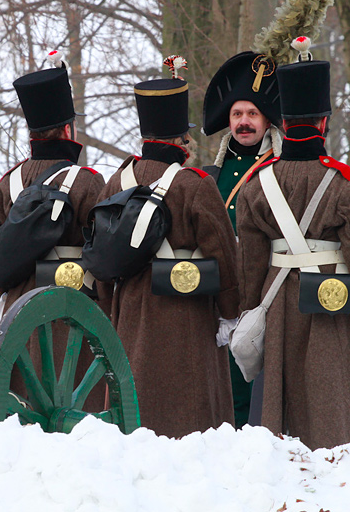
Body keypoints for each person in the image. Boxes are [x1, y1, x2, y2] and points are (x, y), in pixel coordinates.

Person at [235, 38, 350, 450]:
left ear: (282, 121)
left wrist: (247, 309)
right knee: (332, 409)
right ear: (323, 122)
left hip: (277, 301)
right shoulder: (343, 180)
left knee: (279, 416)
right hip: (332, 300)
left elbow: (249, 262)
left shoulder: (256, 183)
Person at [95, 60, 239, 438]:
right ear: (181, 140)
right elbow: (222, 255)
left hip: (129, 314)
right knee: (191, 421)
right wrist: (230, 313)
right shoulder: (196, 184)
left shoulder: (115, 181)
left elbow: (100, 257)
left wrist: (113, 311)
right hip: (186, 317)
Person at [0, 52, 105, 313]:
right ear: (67, 130)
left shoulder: (9, 182)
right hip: (70, 309)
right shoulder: (87, 181)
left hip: (19, 312)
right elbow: (102, 255)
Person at [202, 51, 283, 429]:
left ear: (266, 120)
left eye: (252, 114)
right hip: (217, 294)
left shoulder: (281, 169)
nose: (244, 123)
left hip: (263, 290)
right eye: (237, 115)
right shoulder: (211, 173)